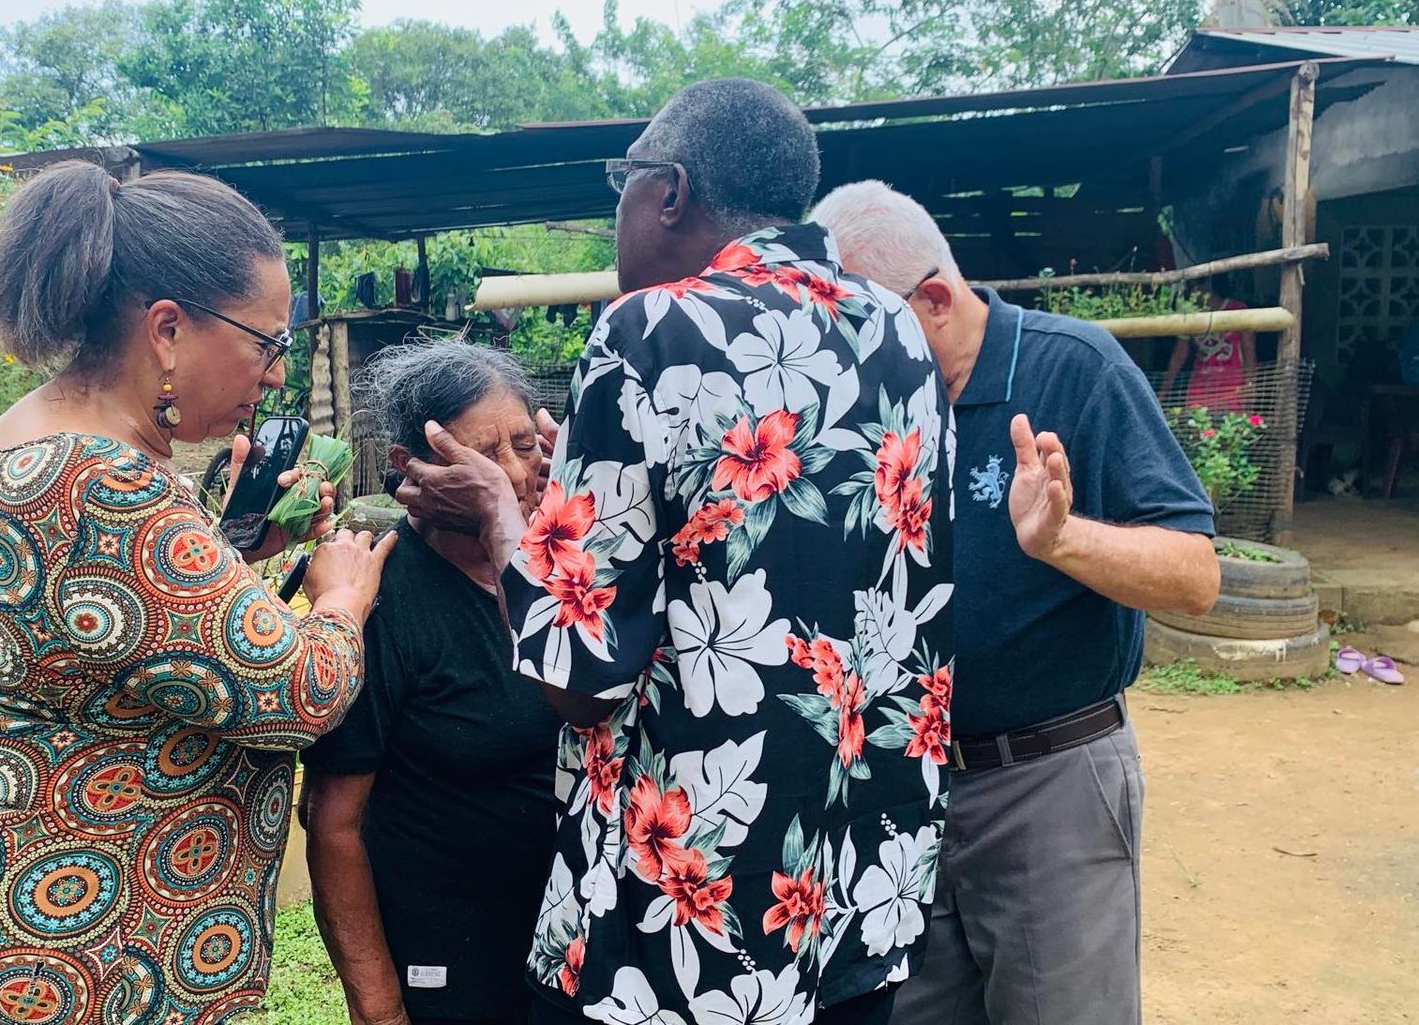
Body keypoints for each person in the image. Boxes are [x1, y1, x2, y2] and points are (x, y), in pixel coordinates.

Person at [397, 78, 955, 1025]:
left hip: (681, 935)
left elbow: (578, 678)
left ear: (669, 190)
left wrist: (501, 517)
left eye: (624, 178)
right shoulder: (896, 330)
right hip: (852, 901)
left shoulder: (650, 329)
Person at [0, 161, 396, 1025]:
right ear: (167, 330)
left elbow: (135, 635)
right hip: (69, 944)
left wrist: (243, 541)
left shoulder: (47, 435)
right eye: (267, 343)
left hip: (32, 901)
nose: (275, 375)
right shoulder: (96, 481)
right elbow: (291, 694)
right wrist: (342, 596)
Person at [811, 180, 1220, 1025]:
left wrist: (1064, 542)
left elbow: (1196, 577)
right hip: (903, 790)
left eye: (856, 325)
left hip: (1049, 784)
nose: (838, 353)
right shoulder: (863, 404)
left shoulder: (1075, 369)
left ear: (932, 299)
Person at [302, 341, 564, 1025]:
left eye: (523, 445)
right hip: (449, 952)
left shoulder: (557, 578)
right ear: (408, 468)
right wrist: (379, 1004)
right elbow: (333, 823)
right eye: (479, 458)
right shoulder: (383, 602)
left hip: (565, 942)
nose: (510, 475)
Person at [1160, 279, 1257, 412]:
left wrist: (1250, 385)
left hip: (1233, 386)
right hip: (1200, 386)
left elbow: (1248, 348)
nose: (1190, 292)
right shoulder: (1190, 314)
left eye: (1193, 287)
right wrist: (1162, 393)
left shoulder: (1237, 308)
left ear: (1206, 286)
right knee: (1197, 425)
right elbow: (1179, 355)